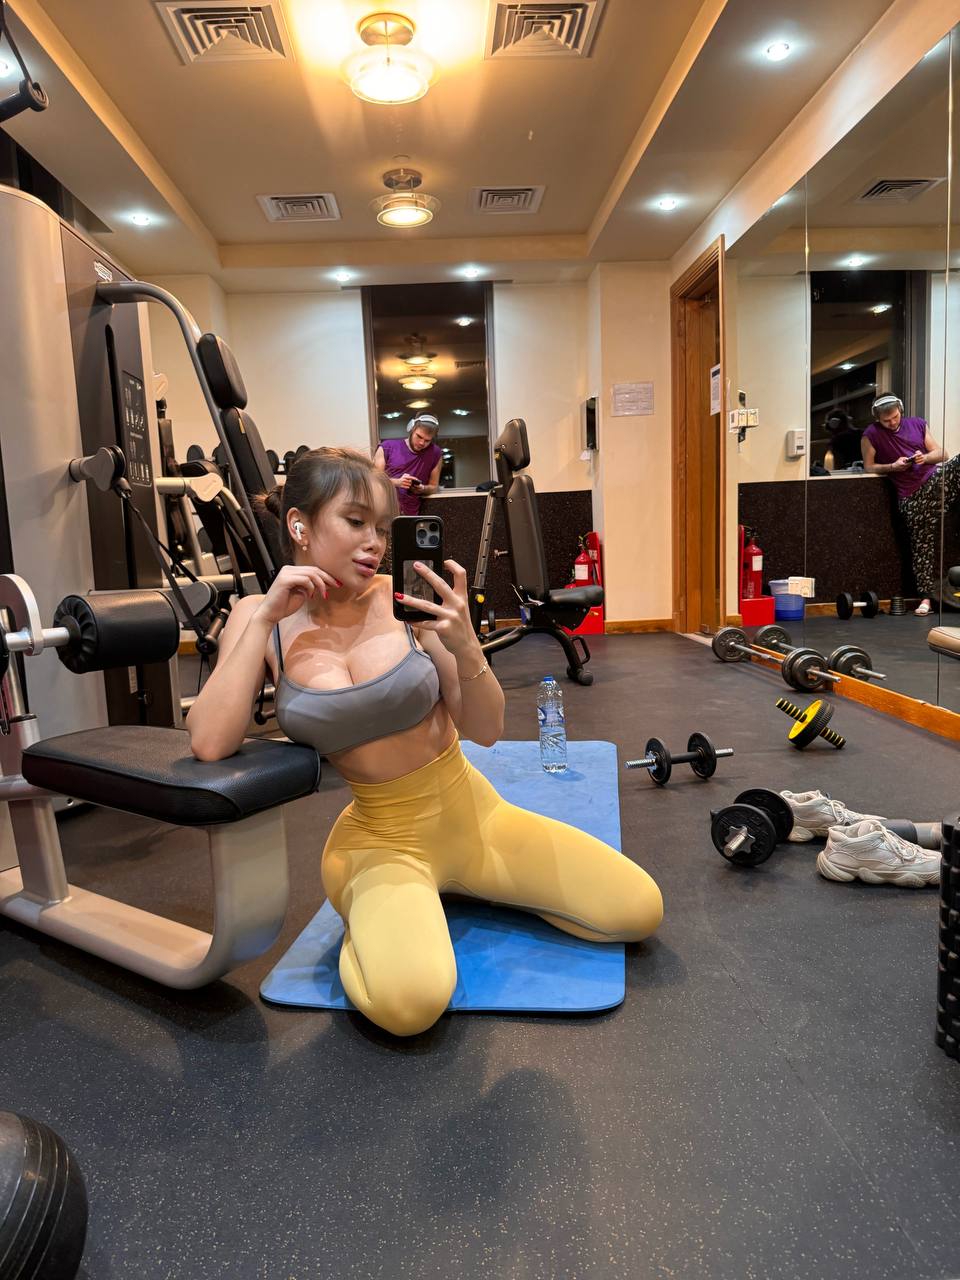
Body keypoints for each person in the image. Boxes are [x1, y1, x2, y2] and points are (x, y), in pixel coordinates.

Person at [186, 447, 663, 1037]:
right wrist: (264, 620)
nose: (374, 543)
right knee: (412, 1005)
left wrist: (464, 645)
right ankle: (381, 915)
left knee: (639, 909)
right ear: (299, 526)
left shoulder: (408, 600)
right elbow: (210, 743)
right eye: (355, 521)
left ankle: (462, 892)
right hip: (379, 841)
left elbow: (486, 730)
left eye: (383, 528)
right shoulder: (258, 617)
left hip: (474, 817)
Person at [861, 394, 960, 616]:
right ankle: (926, 599)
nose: (892, 423)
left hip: (934, 482)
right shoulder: (871, 434)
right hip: (911, 497)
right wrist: (892, 466)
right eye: (886, 421)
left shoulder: (917, 424)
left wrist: (925, 458)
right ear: (878, 419)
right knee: (922, 546)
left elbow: (942, 453)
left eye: (895, 417)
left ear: (901, 411)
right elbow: (869, 466)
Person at [373, 414, 443, 514]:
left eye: (427, 440)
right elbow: (374, 481)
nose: (422, 443)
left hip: (411, 513)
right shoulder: (387, 447)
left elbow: (434, 487)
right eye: (419, 436)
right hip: (384, 511)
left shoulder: (435, 453)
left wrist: (422, 489)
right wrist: (397, 482)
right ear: (411, 429)